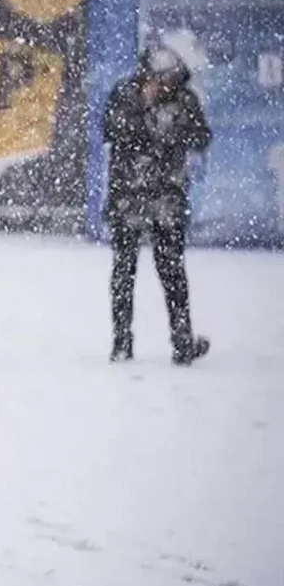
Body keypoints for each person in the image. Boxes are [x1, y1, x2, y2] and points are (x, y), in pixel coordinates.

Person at [103, 47, 212, 365]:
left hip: (167, 198)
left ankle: (182, 342)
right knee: (124, 271)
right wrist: (143, 108)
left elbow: (201, 136)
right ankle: (121, 341)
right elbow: (113, 131)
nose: (165, 85)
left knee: (172, 271)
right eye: (159, 79)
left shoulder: (185, 99)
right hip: (128, 197)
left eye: (170, 79)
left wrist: (172, 133)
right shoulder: (125, 94)